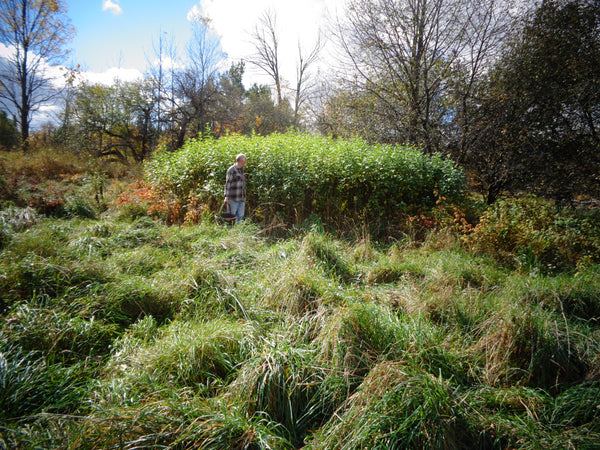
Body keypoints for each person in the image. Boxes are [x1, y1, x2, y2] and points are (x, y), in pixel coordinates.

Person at [224, 153, 247, 223]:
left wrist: (244, 198)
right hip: (233, 198)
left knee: (240, 216)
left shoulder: (242, 170)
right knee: (231, 217)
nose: (245, 162)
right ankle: (230, 232)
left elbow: (243, 185)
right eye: (245, 160)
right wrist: (226, 197)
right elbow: (227, 184)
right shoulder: (231, 170)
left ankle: (237, 232)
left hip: (241, 198)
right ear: (241, 161)